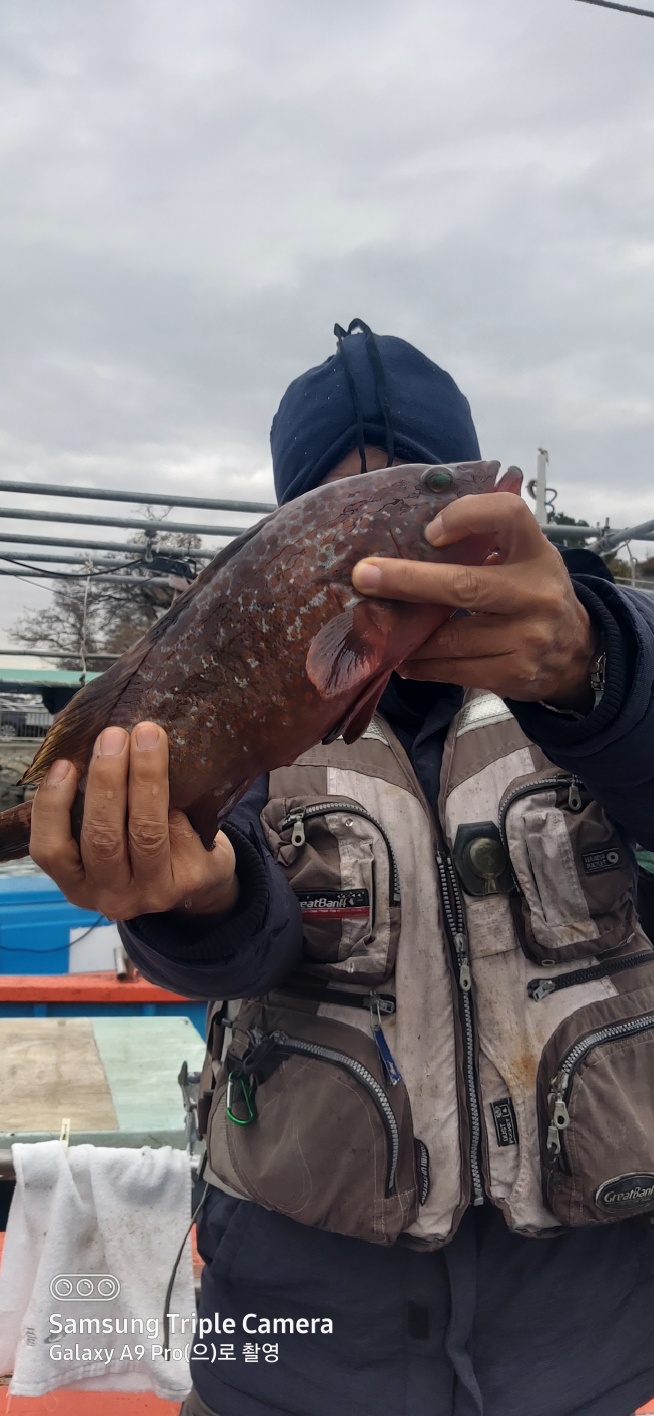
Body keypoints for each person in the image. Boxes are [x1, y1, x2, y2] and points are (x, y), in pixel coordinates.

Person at [30, 320, 654, 1416]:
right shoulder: (266, 699)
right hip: (294, 1340)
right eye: (335, 509)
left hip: (594, 1345)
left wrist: (597, 671)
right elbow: (244, 953)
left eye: (438, 485)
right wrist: (196, 902)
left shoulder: (604, 659)